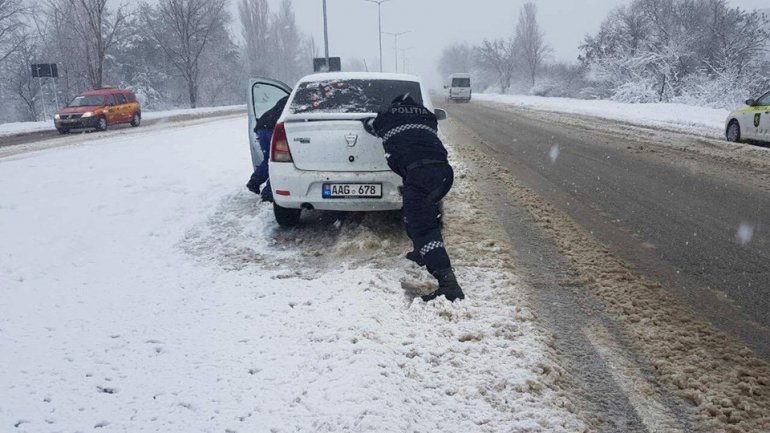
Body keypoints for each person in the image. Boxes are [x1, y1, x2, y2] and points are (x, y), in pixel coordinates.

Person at [365, 94, 465, 302]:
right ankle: (421, 252)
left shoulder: (387, 116)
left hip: (420, 174)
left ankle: (449, 284)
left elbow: (372, 127)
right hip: (443, 173)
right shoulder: (426, 115)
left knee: (422, 226)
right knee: (418, 214)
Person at [246, 96, 289, 202]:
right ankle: (268, 193)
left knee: (269, 159)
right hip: (273, 129)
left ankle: (254, 181)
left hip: (262, 126)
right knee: (280, 161)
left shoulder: (288, 97)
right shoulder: (300, 100)